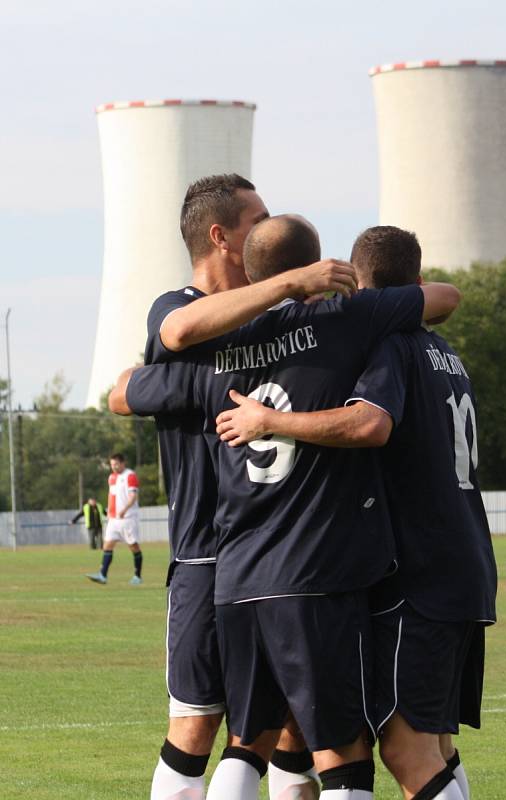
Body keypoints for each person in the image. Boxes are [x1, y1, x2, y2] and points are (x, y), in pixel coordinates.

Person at [111, 213, 461, 800]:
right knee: (344, 753)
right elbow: (441, 299)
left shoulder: (215, 350)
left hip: (238, 577)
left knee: (250, 740)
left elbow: (126, 388)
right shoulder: (346, 320)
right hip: (315, 571)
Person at [216, 225, 497, 800]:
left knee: (403, 749)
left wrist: (270, 422)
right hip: (466, 566)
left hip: (417, 577)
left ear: (362, 287)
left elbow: (369, 424)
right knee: (437, 744)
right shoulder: (447, 353)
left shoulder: (390, 346)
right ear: (414, 284)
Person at [132, 173, 361, 800]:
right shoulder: (175, 310)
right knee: (199, 723)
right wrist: (291, 281)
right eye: (254, 218)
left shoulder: (271, 322)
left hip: (278, 557)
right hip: (207, 554)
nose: (266, 227)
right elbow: (145, 368)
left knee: (284, 726)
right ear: (219, 236)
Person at [86, 453, 143, 586]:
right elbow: (112, 496)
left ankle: (137, 576)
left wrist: (124, 510)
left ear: (123, 463)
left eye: (116, 464)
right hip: (114, 519)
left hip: (128, 518)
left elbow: (133, 496)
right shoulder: (111, 477)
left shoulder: (130, 476)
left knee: (133, 546)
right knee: (107, 545)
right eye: (112, 465)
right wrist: (110, 512)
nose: (114, 467)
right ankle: (103, 575)